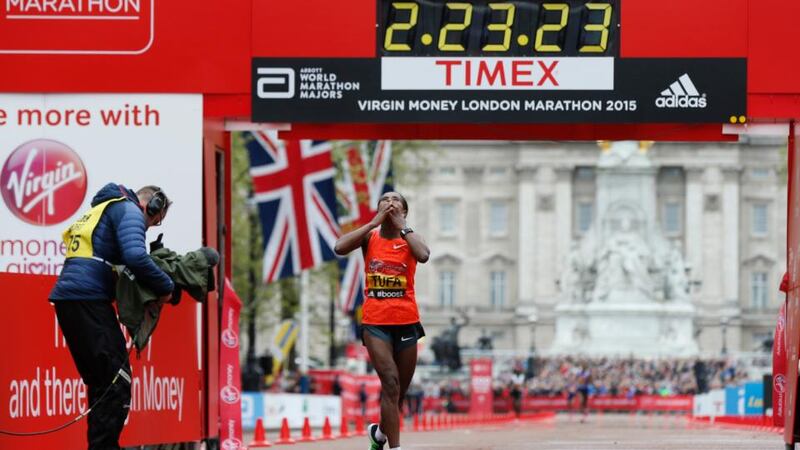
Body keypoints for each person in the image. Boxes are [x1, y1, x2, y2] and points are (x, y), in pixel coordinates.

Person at [49, 183, 174, 450]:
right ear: (151, 205)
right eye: (155, 220)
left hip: (69, 301)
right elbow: (136, 256)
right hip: (88, 300)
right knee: (116, 382)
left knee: (102, 384)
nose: (150, 227)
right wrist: (166, 287)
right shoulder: (129, 210)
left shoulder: (104, 210)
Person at [334, 191, 429, 450]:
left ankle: (378, 434)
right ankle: (395, 447)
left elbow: (423, 255)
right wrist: (372, 223)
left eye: (396, 200)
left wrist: (403, 226)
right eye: (385, 199)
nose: (390, 202)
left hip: (406, 322)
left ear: (403, 211)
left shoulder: (411, 239)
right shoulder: (370, 237)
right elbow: (339, 247)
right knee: (390, 382)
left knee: (398, 393)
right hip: (376, 323)